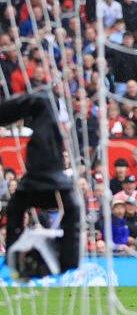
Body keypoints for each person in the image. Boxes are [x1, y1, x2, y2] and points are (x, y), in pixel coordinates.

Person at [0, 89, 81, 276]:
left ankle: (14, 256)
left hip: (40, 181)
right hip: (50, 181)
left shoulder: (46, 116)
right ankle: (67, 259)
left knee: (44, 101)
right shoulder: (50, 123)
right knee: (45, 101)